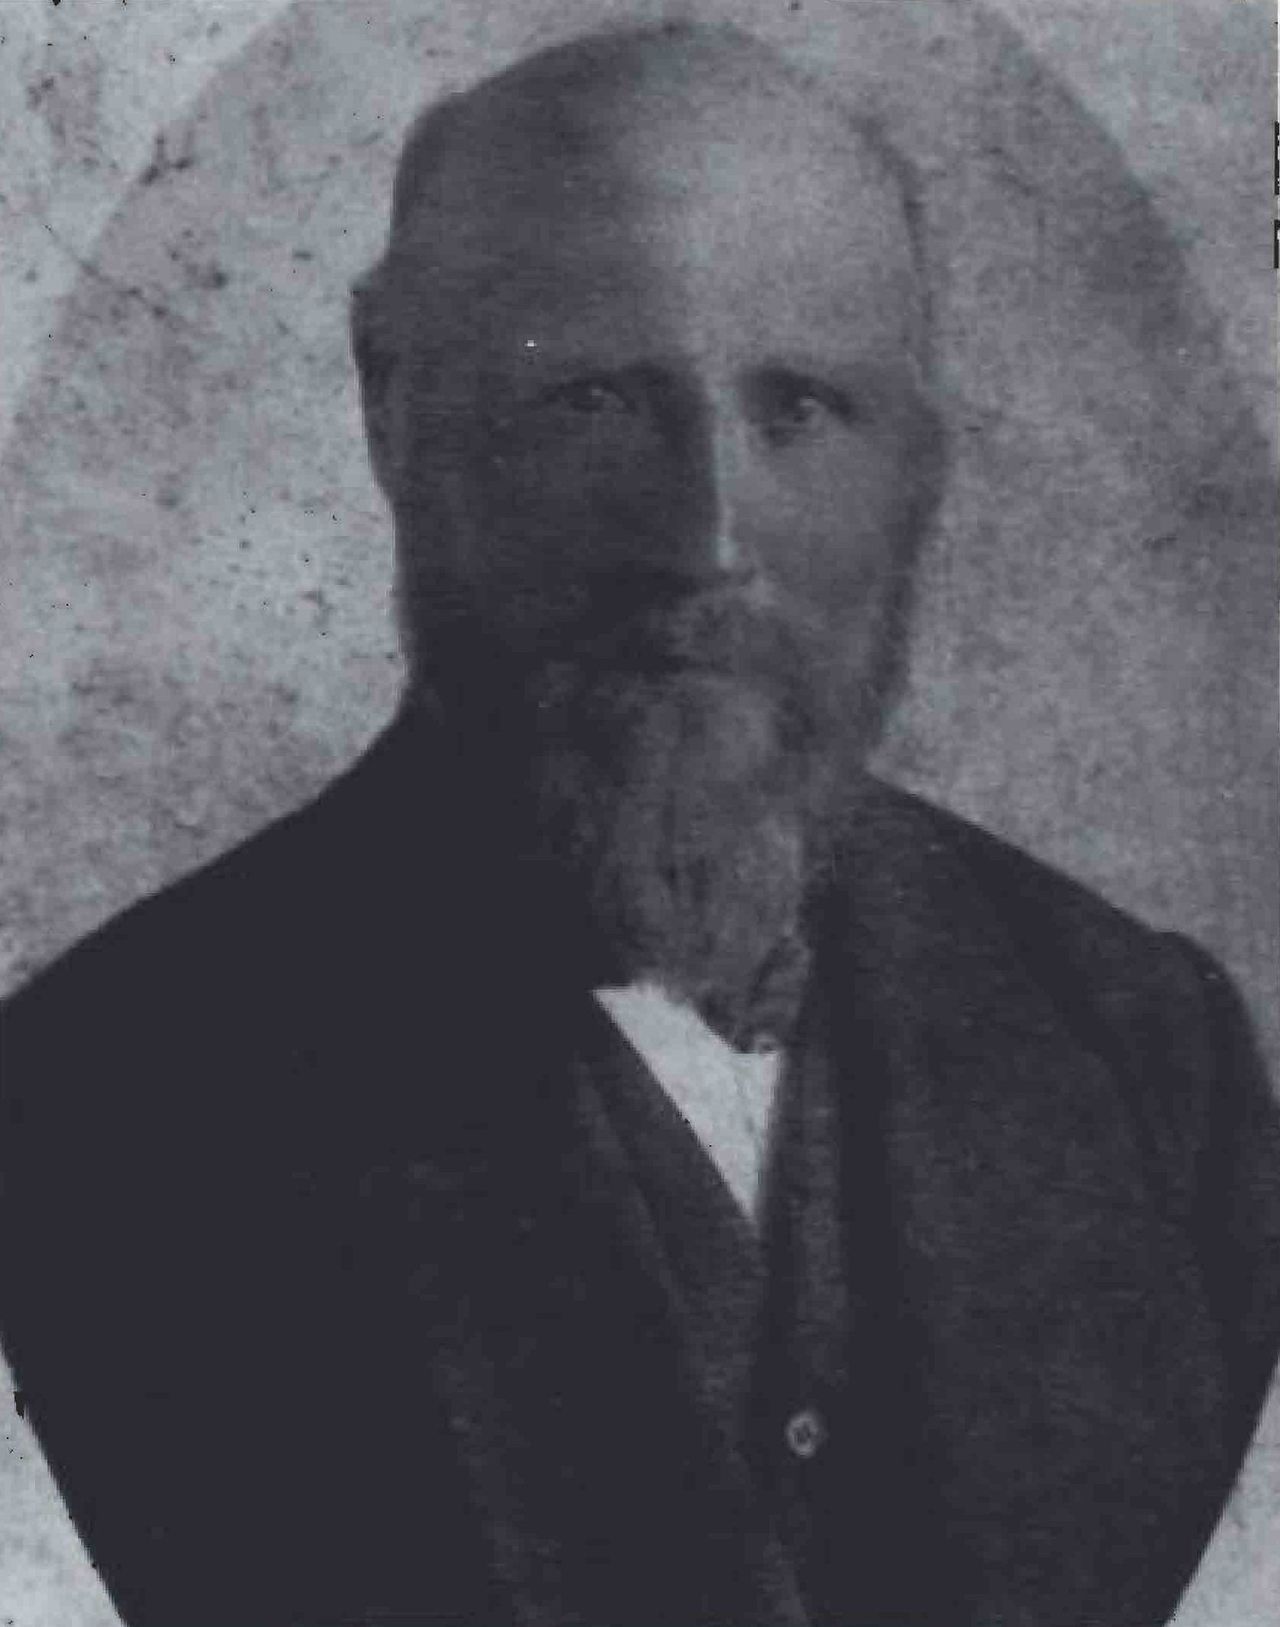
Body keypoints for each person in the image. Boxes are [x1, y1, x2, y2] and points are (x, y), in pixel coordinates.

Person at [2, 21, 1277, 1627]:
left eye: (800, 406)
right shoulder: (88, 1119)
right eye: (597, 400)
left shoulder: (1148, 1060)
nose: (709, 540)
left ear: (922, 461)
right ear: (393, 408)